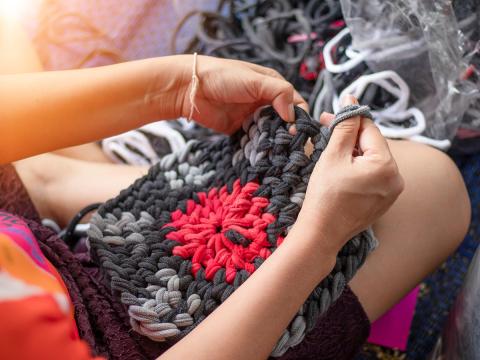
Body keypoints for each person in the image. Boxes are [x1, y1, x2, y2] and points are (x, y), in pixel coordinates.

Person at [0, 15, 471, 360]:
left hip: (24, 244)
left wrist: (176, 84)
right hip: (146, 339)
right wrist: (318, 239)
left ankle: (51, 178)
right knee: (432, 190)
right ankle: (57, 179)